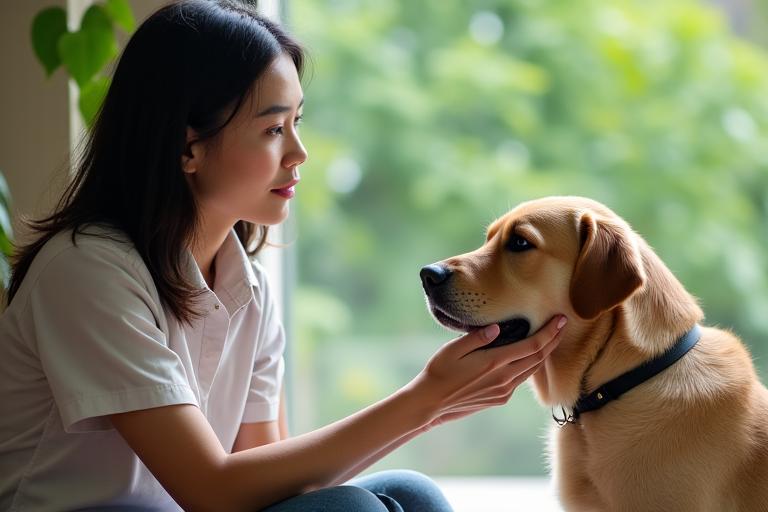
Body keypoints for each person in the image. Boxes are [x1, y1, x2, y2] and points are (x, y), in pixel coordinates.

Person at [0, 1, 566, 510]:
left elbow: (274, 485)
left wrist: (436, 404)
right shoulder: (88, 270)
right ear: (187, 146)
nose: (299, 153)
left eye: (296, 123)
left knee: (407, 495)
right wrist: (427, 397)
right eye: (274, 129)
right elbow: (213, 489)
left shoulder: (246, 286)